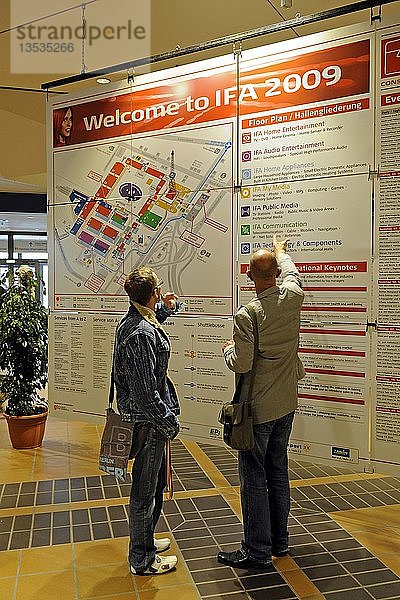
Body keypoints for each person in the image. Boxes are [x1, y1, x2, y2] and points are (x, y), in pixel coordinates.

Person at [217, 234, 305, 569]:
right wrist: (282, 253)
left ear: (250, 276)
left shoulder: (247, 314)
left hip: (257, 411)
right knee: (278, 470)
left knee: (253, 476)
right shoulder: (293, 295)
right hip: (286, 403)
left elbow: (240, 363)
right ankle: (279, 542)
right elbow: (293, 273)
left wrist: (227, 348)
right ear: (276, 275)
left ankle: (256, 550)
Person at [114, 267, 181, 575]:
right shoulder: (140, 332)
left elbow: (152, 328)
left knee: (152, 486)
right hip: (148, 422)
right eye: (159, 291)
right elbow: (144, 392)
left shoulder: (134, 320)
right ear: (152, 293)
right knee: (144, 491)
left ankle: (147, 541)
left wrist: (167, 309)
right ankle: (142, 558)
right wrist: (167, 421)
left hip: (146, 419)